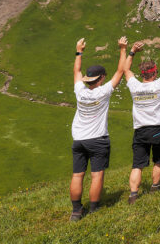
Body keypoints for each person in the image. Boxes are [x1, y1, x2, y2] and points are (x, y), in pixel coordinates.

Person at [69, 36, 127, 221]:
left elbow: (77, 70)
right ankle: (94, 209)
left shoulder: (80, 91)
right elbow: (120, 71)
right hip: (98, 139)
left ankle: (76, 211)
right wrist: (123, 49)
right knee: (96, 175)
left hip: (79, 139)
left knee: (77, 175)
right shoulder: (104, 91)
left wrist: (79, 51)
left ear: (88, 79)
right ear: (101, 78)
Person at [124, 39, 160, 204]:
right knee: (158, 160)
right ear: (154, 74)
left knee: (137, 164)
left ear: (142, 75)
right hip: (158, 128)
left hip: (140, 129)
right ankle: (155, 186)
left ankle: (133, 194)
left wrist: (132, 51)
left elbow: (125, 69)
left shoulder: (134, 86)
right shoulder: (159, 84)